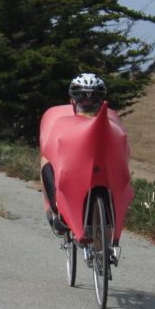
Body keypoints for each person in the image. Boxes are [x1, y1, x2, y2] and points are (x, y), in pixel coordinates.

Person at [39, 73, 109, 233]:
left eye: (92, 102)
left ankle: (54, 208)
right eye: (84, 102)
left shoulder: (109, 122)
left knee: (45, 158)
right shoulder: (64, 122)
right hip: (77, 172)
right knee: (46, 158)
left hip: (98, 174)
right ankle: (55, 206)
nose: (88, 106)